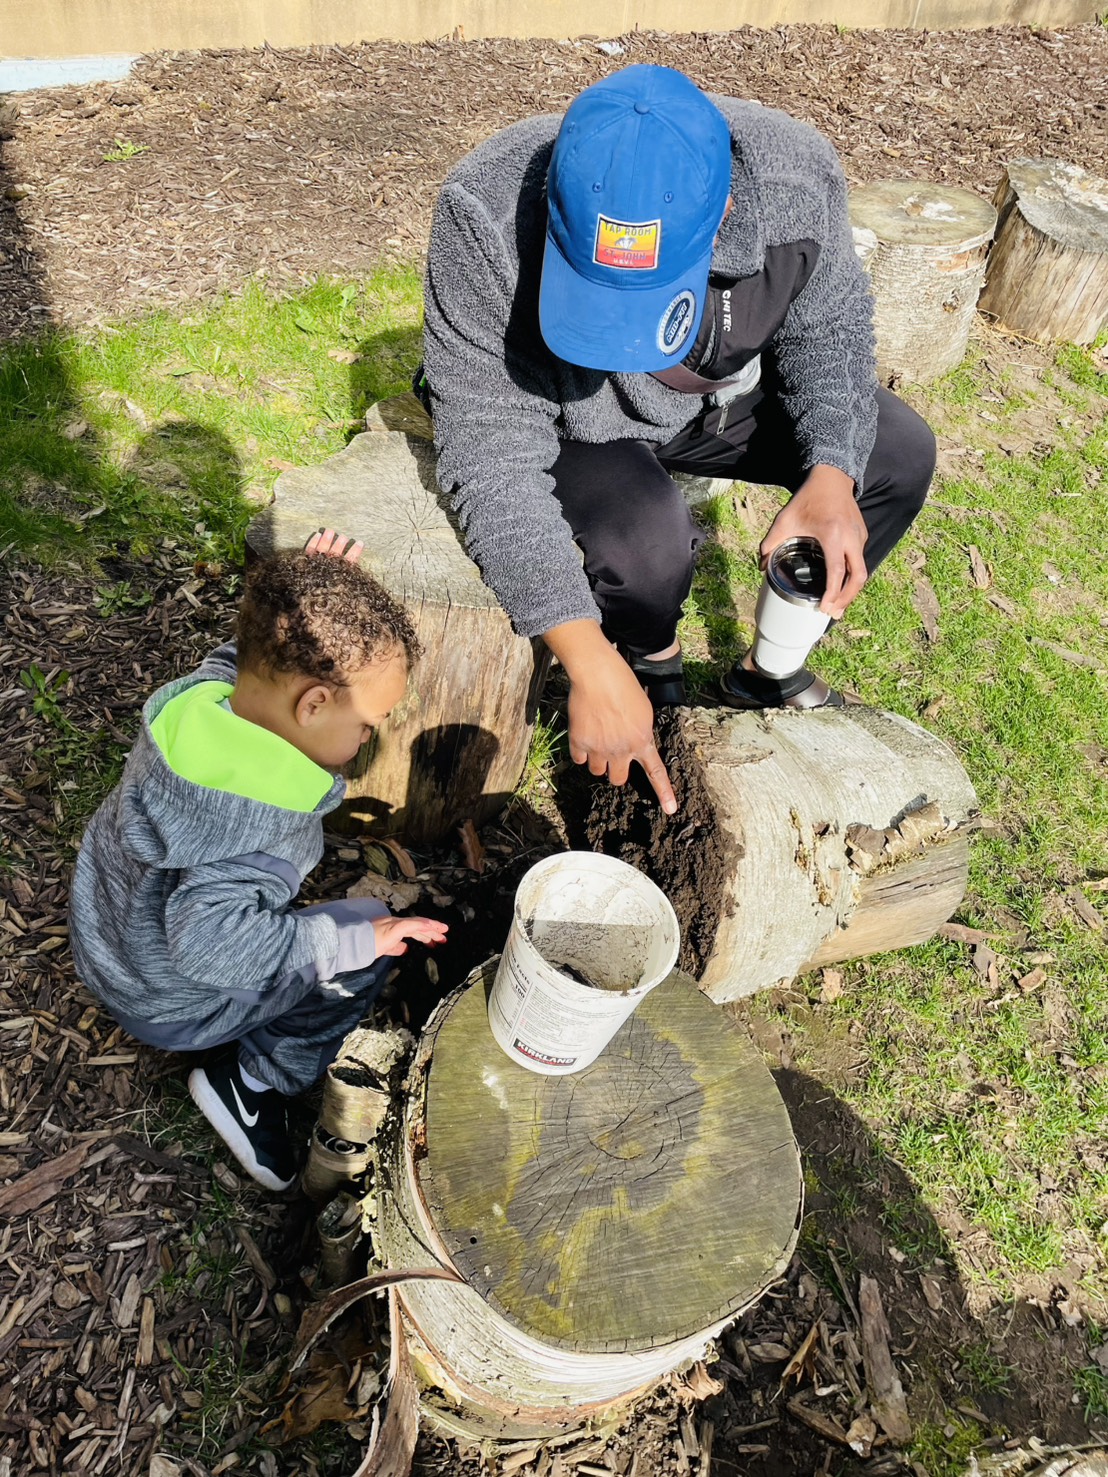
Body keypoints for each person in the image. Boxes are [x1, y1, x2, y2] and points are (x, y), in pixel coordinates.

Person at [421, 63, 935, 815]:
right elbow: (489, 454)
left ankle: (769, 671)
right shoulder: (486, 214)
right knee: (646, 545)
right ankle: (648, 660)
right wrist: (589, 660)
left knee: (893, 454)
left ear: (724, 210)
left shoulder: (793, 179)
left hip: (711, 402)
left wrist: (830, 472)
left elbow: (829, 330)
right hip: (572, 422)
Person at [70, 532, 447, 1192]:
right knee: (363, 942)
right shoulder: (261, 828)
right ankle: (246, 1084)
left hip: (105, 935)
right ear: (313, 704)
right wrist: (354, 937)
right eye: (370, 720)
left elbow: (242, 662)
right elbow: (213, 947)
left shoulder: (199, 704)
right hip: (163, 991)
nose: (369, 737)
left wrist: (300, 605)